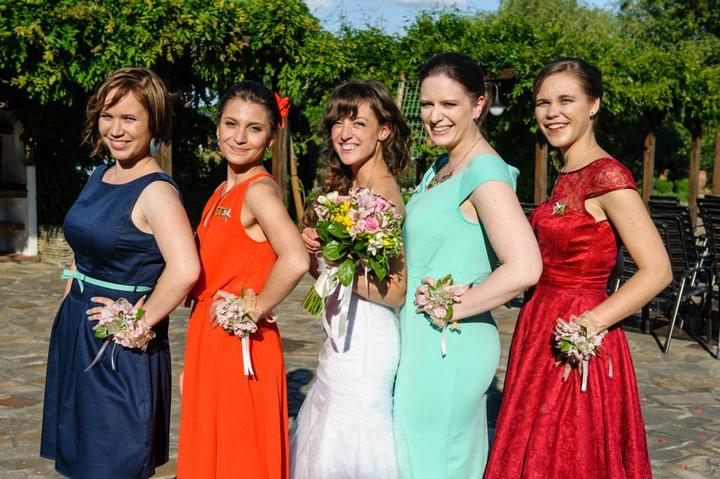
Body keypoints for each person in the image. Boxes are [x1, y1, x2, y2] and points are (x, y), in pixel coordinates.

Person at [484, 58, 672, 478]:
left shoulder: (608, 177)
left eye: (566, 100)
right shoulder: (567, 170)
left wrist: (588, 325)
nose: (552, 113)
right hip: (539, 328)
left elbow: (657, 270)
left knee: (567, 452)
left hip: (576, 334)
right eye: (543, 103)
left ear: (594, 105)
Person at [40, 67, 200, 479]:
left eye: (129, 118)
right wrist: (70, 300)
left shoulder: (156, 191)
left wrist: (136, 325)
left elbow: (185, 268)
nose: (115, 129)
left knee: (112, 461)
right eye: (107, 116)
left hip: (118, 348)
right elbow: (85, 245)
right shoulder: (100, 174)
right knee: (82, 459)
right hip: (78, 333)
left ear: (154, 123)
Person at [393, 53, 543, 478]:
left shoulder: (485, 172)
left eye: (449, 104)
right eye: (428, 104)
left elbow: (525, 266)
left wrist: (453, 307)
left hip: (450, 345)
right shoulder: (441, 167)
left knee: (437, 462)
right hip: (420, 340)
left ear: (478, 105)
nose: (434, 116)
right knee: (417, 458)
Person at [176, 80, 309, 479]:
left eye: (254, 128)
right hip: (209, 335)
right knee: (212, 449)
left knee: (238, 454)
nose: (239, 137)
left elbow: (296, 259)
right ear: (217, 126)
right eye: (231, 124)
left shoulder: (258, 192)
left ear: (271, 138)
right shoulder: (222, 189)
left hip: (240, 342)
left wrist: (252, 308)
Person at [290, 80, 410, 479]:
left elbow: (395, 291)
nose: (345, 133)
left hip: (367, 342)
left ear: (384, 131)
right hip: (341, 338)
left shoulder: (383, 196)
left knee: (352, 443)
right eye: (338, 123)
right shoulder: (352, 186)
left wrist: (331, 261)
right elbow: (335, 272)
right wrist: (315, 253)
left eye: (358, 123)